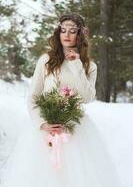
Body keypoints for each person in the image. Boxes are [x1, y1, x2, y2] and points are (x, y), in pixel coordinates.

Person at [1, 14, 122, 187]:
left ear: (79, 35)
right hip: (45, 130)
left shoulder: (90, 66)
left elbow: (88, 97)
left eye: (72, 31)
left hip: (76, 131)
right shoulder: (46, 61)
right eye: (63, 30)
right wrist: (42, 123)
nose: (67, 34)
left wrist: (76, 65)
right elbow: (33, 97)